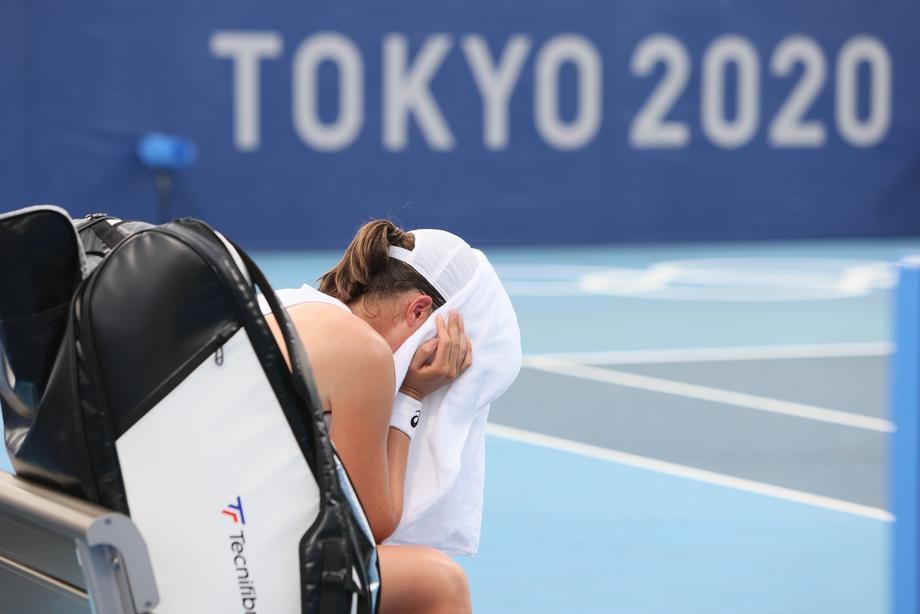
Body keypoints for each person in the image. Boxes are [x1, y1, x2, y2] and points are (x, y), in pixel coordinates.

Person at [264, 220, 474, 614]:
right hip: (229, 559)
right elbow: (370, 526)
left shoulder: (284, 302)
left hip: (179, 527)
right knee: (440, 581)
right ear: (419, 311)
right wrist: (411, 396)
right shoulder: (364, 352)